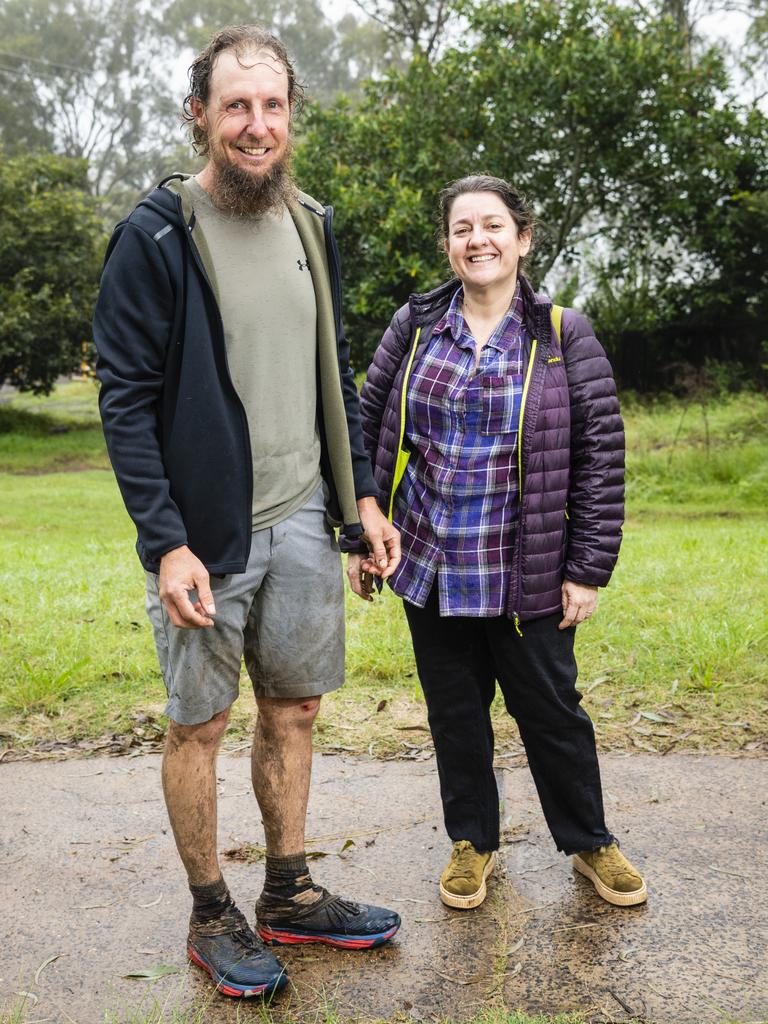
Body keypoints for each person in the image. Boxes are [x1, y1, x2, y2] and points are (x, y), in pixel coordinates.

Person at [93, 25, 401, 1000]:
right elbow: (125, 398)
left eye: (272, 106)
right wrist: (167, 540)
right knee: (201, 721)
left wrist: (358, 498)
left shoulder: (312, 222)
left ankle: (290, 891)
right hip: (207, 537)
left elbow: (331, 372)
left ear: (291, 117)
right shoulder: (155, 236)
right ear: (202, 115)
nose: (256, 125)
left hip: (307, 519)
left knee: (296, 708)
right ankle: (210, 907)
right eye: (237, 106)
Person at [348, 174, 646, 913]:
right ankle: (473, 843)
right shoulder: (415, 328)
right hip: (432, 561)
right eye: (461, 229)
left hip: (530, 570)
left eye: (492, 226)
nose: (477, 240)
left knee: (553, 712)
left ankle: (590, 843)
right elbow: (367, 426)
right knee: (455, 713)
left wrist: (587, 569)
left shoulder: (562, 334)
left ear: (522, 238)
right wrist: (361, 530)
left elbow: (601, 456)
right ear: (448, 244)